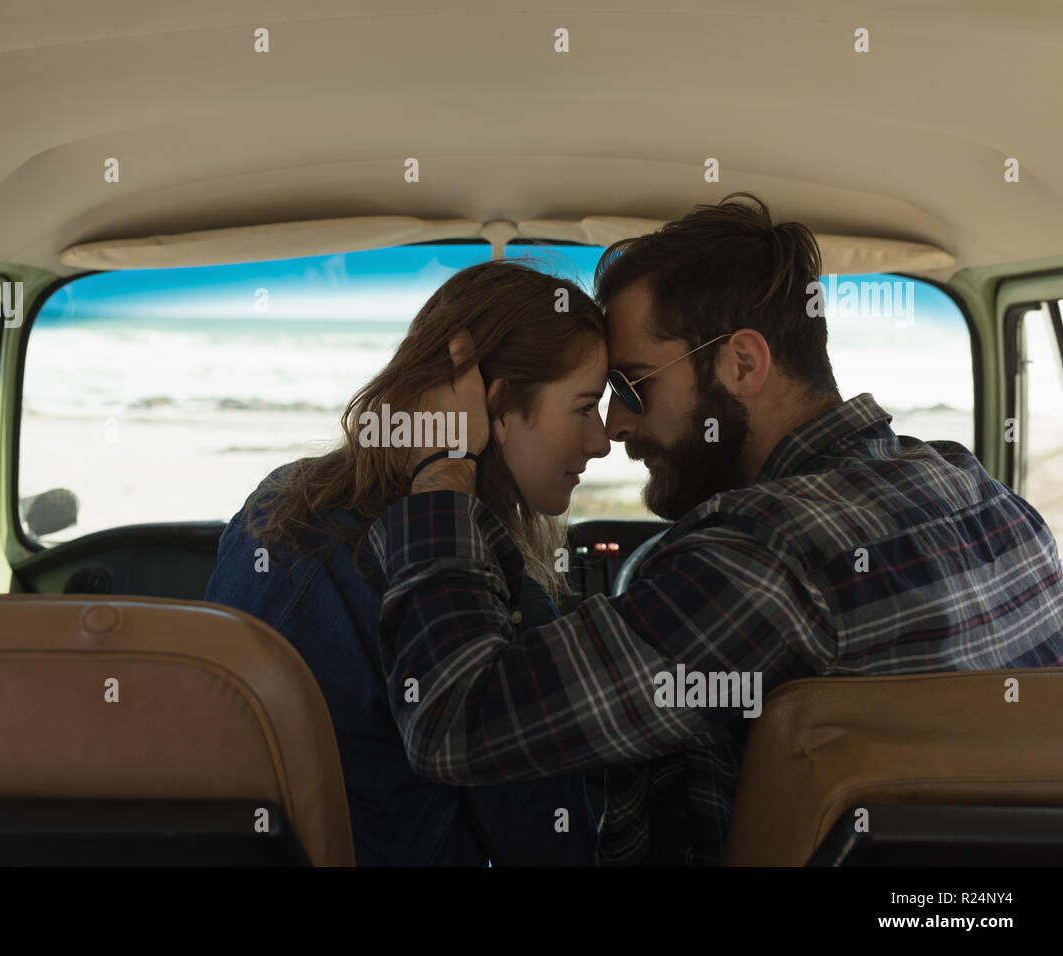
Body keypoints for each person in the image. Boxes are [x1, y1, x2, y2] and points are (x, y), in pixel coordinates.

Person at [368, 192, 1063, 865]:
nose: (615, 426)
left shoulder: (763, 556)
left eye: (635, 386)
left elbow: (453, 722)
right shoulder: (985, 496)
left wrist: (442, 476)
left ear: (742, 364)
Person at [204, 258, 612, 865]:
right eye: (585, 406)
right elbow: (550, 846)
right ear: (496, 410)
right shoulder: (488, 596)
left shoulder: (276, 504)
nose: (601, 439)